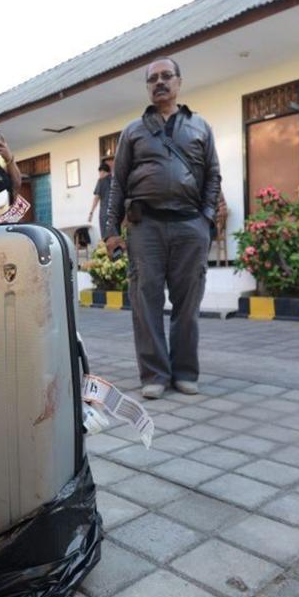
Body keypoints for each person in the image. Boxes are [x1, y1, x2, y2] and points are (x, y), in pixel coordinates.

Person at [106, 57, 221, 399]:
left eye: (166, 76)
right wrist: (111, 229)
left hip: (190, 225)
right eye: (152, 78)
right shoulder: (133, 131)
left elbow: (213, 176)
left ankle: (185, 372)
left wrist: (207, 218)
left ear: (179, 82)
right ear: (147, 87)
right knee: (146, 304)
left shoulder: (200, 126)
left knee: (188, 306)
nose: (160, 82)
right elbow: (118, 183)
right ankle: (154, 374)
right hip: (146, 227)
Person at [87, 162, 112, 235]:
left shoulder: (101, 181)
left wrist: (91, 213)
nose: (99, 175)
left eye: (99, 172)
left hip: (105, 213)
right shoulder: (115, 180)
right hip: (116, 212)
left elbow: (96, 198)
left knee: (105, 237)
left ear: (103, 172)